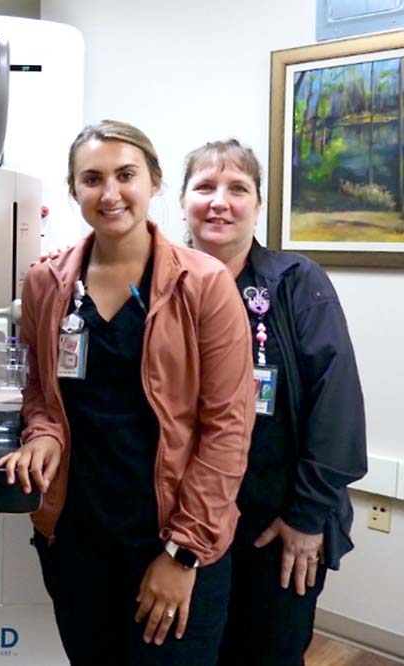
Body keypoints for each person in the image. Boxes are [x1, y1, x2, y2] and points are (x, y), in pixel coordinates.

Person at [0, 120, 255, 665]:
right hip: (77, 537)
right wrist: (43, 436)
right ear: (74, 191)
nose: (110, 193)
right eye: (92, 179)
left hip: (171, 535)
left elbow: (228, 430)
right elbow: (41, 389)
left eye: (126, 175)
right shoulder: (46, 282)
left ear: (154, 182)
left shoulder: (203, 285)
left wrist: (182, 553)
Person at [180, 139, 367, 665]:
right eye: (205, 187)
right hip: (185, 526)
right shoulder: (157, 286)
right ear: (182, 201)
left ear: (257, 205)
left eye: (237, 188)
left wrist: (308, 518)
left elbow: (338, 405)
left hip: (277, 526)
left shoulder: (296, 284)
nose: (220, 201)